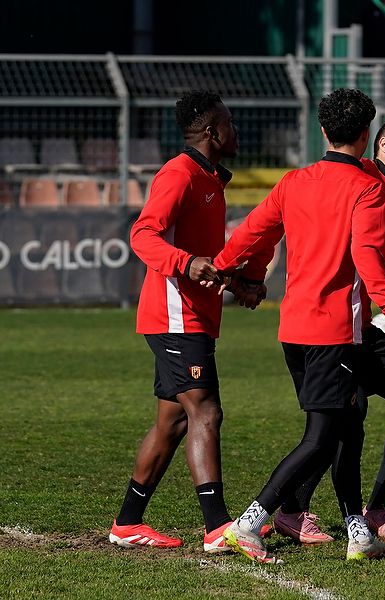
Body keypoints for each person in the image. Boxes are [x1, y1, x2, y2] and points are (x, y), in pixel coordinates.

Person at [208, 89, 385, 564]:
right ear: (366, 135)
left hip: (295, 328)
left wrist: (222, 266)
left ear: (322, 131)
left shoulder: (294, 180)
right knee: (320, 438)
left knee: (348, 428)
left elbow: (252, 231)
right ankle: (249, 523)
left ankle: (358, 532)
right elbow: (366, 256)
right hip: (333, 332)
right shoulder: (368, 188)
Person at [111, 90, 268, 553]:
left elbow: (206, 260)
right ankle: (218, 526)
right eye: (230, 123)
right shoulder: (179, 174)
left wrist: (235, 284)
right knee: (206, 410)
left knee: (174, 420)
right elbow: (142, 234)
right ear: (212, 132)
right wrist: (185, 262)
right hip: (175, 315)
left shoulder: (209, 179)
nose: (236, 130)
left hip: (191, 315)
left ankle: (128, 523)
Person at [277, 118, 385, 545]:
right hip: (330, 325)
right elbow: (359, 252)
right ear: (381, 144)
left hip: (362, 328)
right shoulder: (358, 178)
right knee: (343, 420)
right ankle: (292, 510)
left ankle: (376, 507)